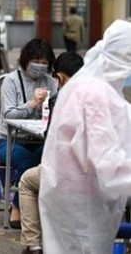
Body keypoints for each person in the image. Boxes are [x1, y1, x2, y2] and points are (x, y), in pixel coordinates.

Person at [38, 20, 131, 254]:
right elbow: (107, 166)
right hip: (82, 205)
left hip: (75, 200)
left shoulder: (90, 88)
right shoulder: (94, 95)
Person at [18, 51, 83, 254]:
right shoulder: (105, 94)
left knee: (27, 181)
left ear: (60, 77)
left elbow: (52, 138)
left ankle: (34, 245)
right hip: (108, 174)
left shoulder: (62, 99)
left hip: (71, 174)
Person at [0, 38, 57, 229]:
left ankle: (36, 208)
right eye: (36, 60)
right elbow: (8, 114)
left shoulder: (51, 82)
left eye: (44, 62)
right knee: (27, 161)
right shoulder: (10, 81)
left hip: (38, 140)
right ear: (26, 59)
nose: (40, 66)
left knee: (50, 160)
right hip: (10, 141)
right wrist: (32, 103)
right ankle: (17, 207)